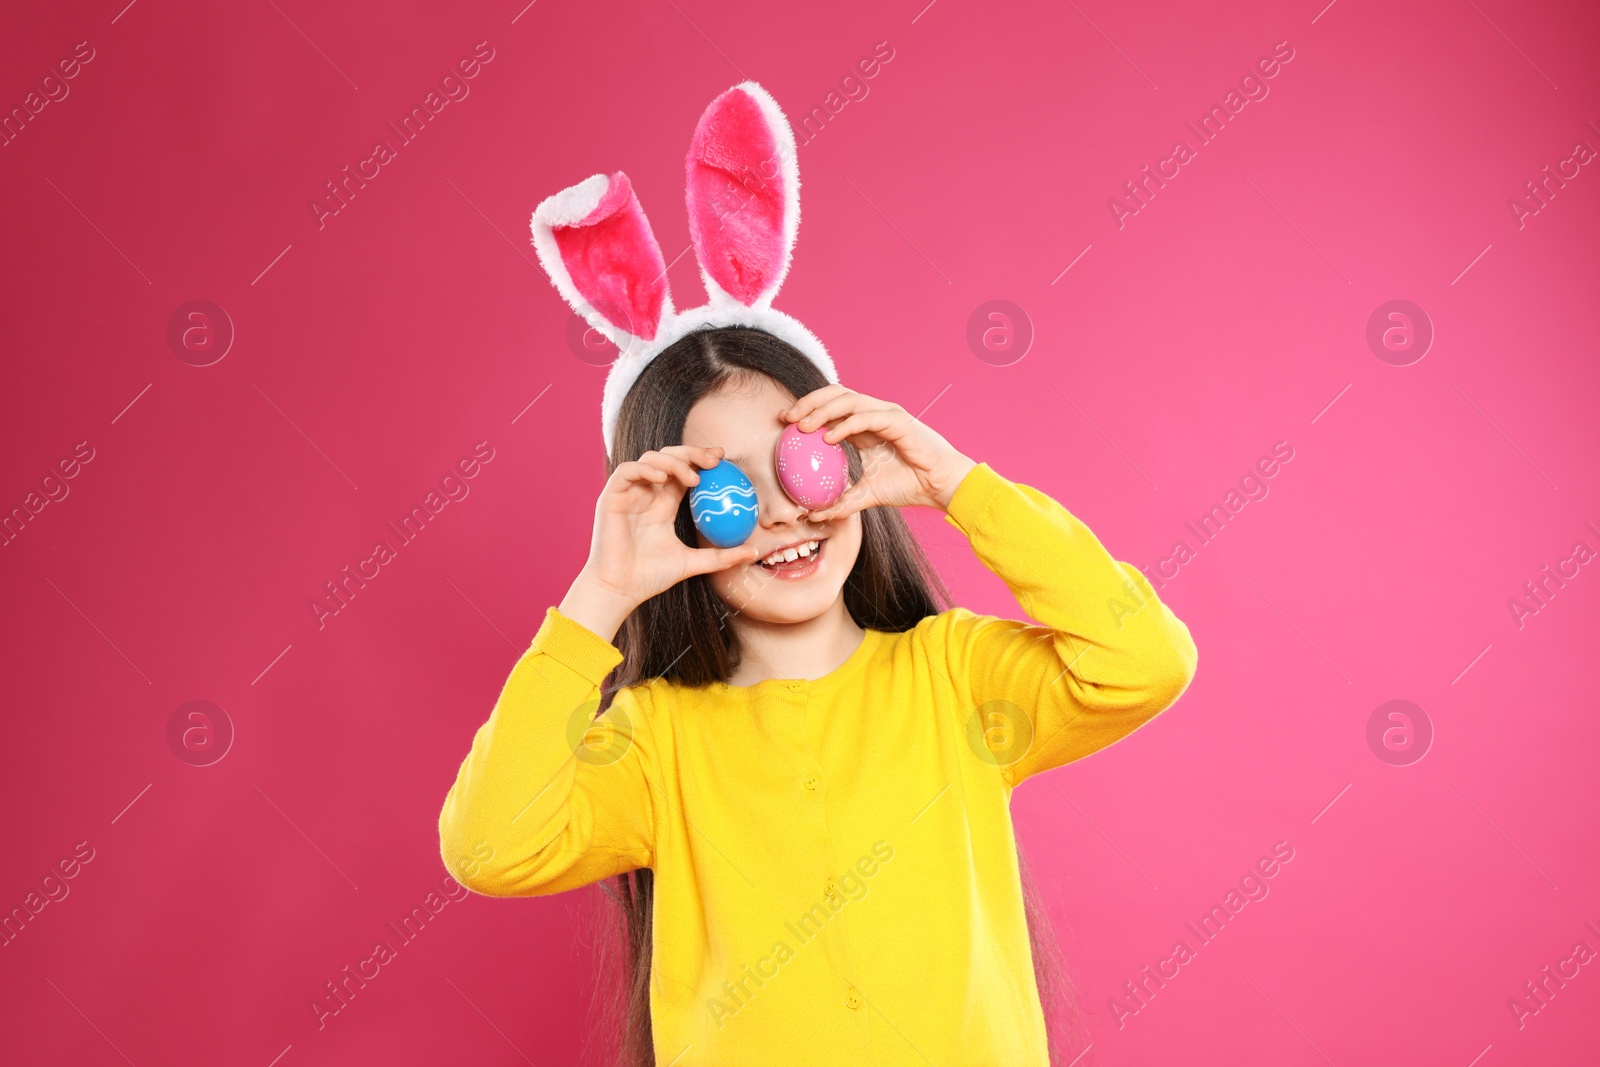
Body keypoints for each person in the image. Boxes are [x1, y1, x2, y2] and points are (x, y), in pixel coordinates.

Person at [439, 82, 1197, 1066]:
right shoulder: (657, 741)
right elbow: (491, 845)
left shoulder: (953, 678)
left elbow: (1144, 661)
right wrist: (601, 592)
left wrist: (957, 484)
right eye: (728, 491)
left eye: (796, 463)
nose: (786, 513)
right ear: (677, 521)